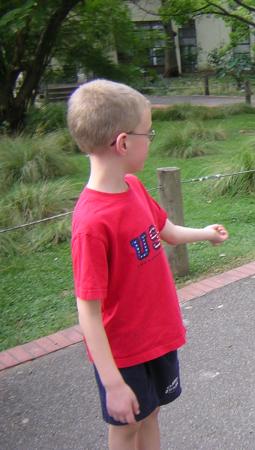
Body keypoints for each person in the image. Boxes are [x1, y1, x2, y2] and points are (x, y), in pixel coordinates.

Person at [68, 79, 229, 450]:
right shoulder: (92, 223)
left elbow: (167, 231)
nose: (151, 140)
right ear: (124, 143)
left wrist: (205, 233)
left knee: (152, 413)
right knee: (126, 427)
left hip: (156, 338)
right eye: (148, 132)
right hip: (123, 353)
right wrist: (112, 384)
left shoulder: (133, 187)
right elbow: (88, 312)